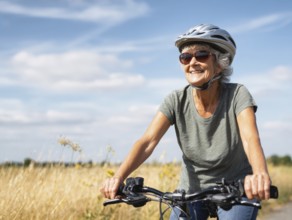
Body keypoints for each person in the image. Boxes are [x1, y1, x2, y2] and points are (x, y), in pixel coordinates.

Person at [100, 24, 271, 220]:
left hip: (234, 188)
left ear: (221, 62)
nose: (193, 62)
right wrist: (118, 178)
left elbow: (250, 138)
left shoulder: (237, 94)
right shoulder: (176, 99)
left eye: (202, 55)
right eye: (185, 57)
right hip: (191, 191)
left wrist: (259, 174)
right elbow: (147, 141)